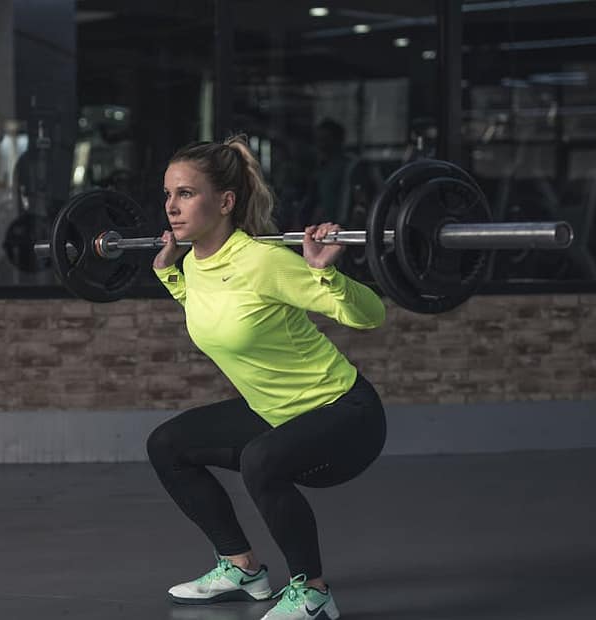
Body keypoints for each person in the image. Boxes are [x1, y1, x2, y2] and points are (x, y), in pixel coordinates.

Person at [147, 135, 387, 620]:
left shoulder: (265, 261)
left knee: (261, 460)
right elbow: (214, 313)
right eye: (168, 195)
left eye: (186, 194)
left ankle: (313, 594)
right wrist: (168, 274)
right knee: (167, 445)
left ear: (226, 201)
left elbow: (371, 316)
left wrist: (325, 274)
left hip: (345, 415)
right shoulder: (194, 263)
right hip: (276, 413)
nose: (172, 207)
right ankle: (241, 567)